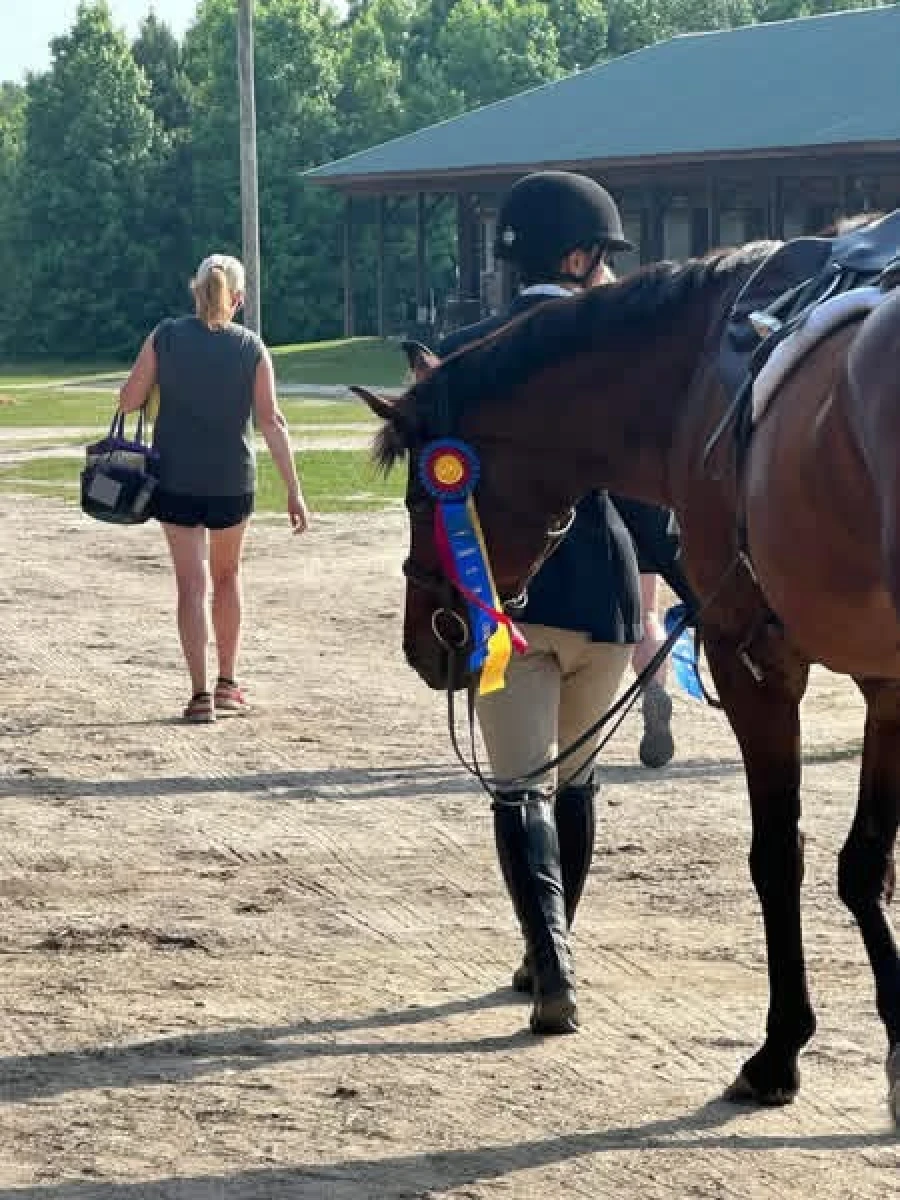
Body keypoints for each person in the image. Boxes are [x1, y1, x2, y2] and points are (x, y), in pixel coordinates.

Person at [435, 172, 686, 1035]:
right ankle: (556, 949)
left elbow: (437, 503)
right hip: (607, 602)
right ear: (575, 257)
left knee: (517, 788)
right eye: (604, 258)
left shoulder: (466, 353)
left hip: (506, 600)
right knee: (576, 780)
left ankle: (550, 961)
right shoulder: (617, 355)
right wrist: (688, 594)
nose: (611, 275)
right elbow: (653, 500)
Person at [118, 253, 310, 723]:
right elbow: (271, 421)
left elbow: (128, 400)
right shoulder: (252, 346)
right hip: (231, 481)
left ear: (196, 291)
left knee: (190, 584)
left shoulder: (164, 335)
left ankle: (199, 694)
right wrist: (294, 489)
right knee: (227, 578)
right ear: (238, 299)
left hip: (176, 479)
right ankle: (228, 682)